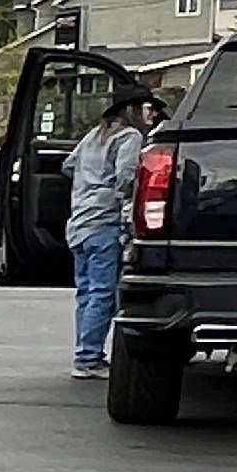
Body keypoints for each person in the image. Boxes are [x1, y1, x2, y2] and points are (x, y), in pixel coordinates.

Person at [62, 91, 150, 376]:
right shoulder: (129, 137)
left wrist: (87, 186)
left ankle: (84, 353)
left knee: (86, 293)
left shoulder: (93, 136)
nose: (151, 114)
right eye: (146, 108)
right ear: (131, 109)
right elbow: (126, 177)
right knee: (103, 293)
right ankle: (89, 358)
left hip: (79, 223)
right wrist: (122, 199)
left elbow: (68, 165)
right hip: (105, 222)